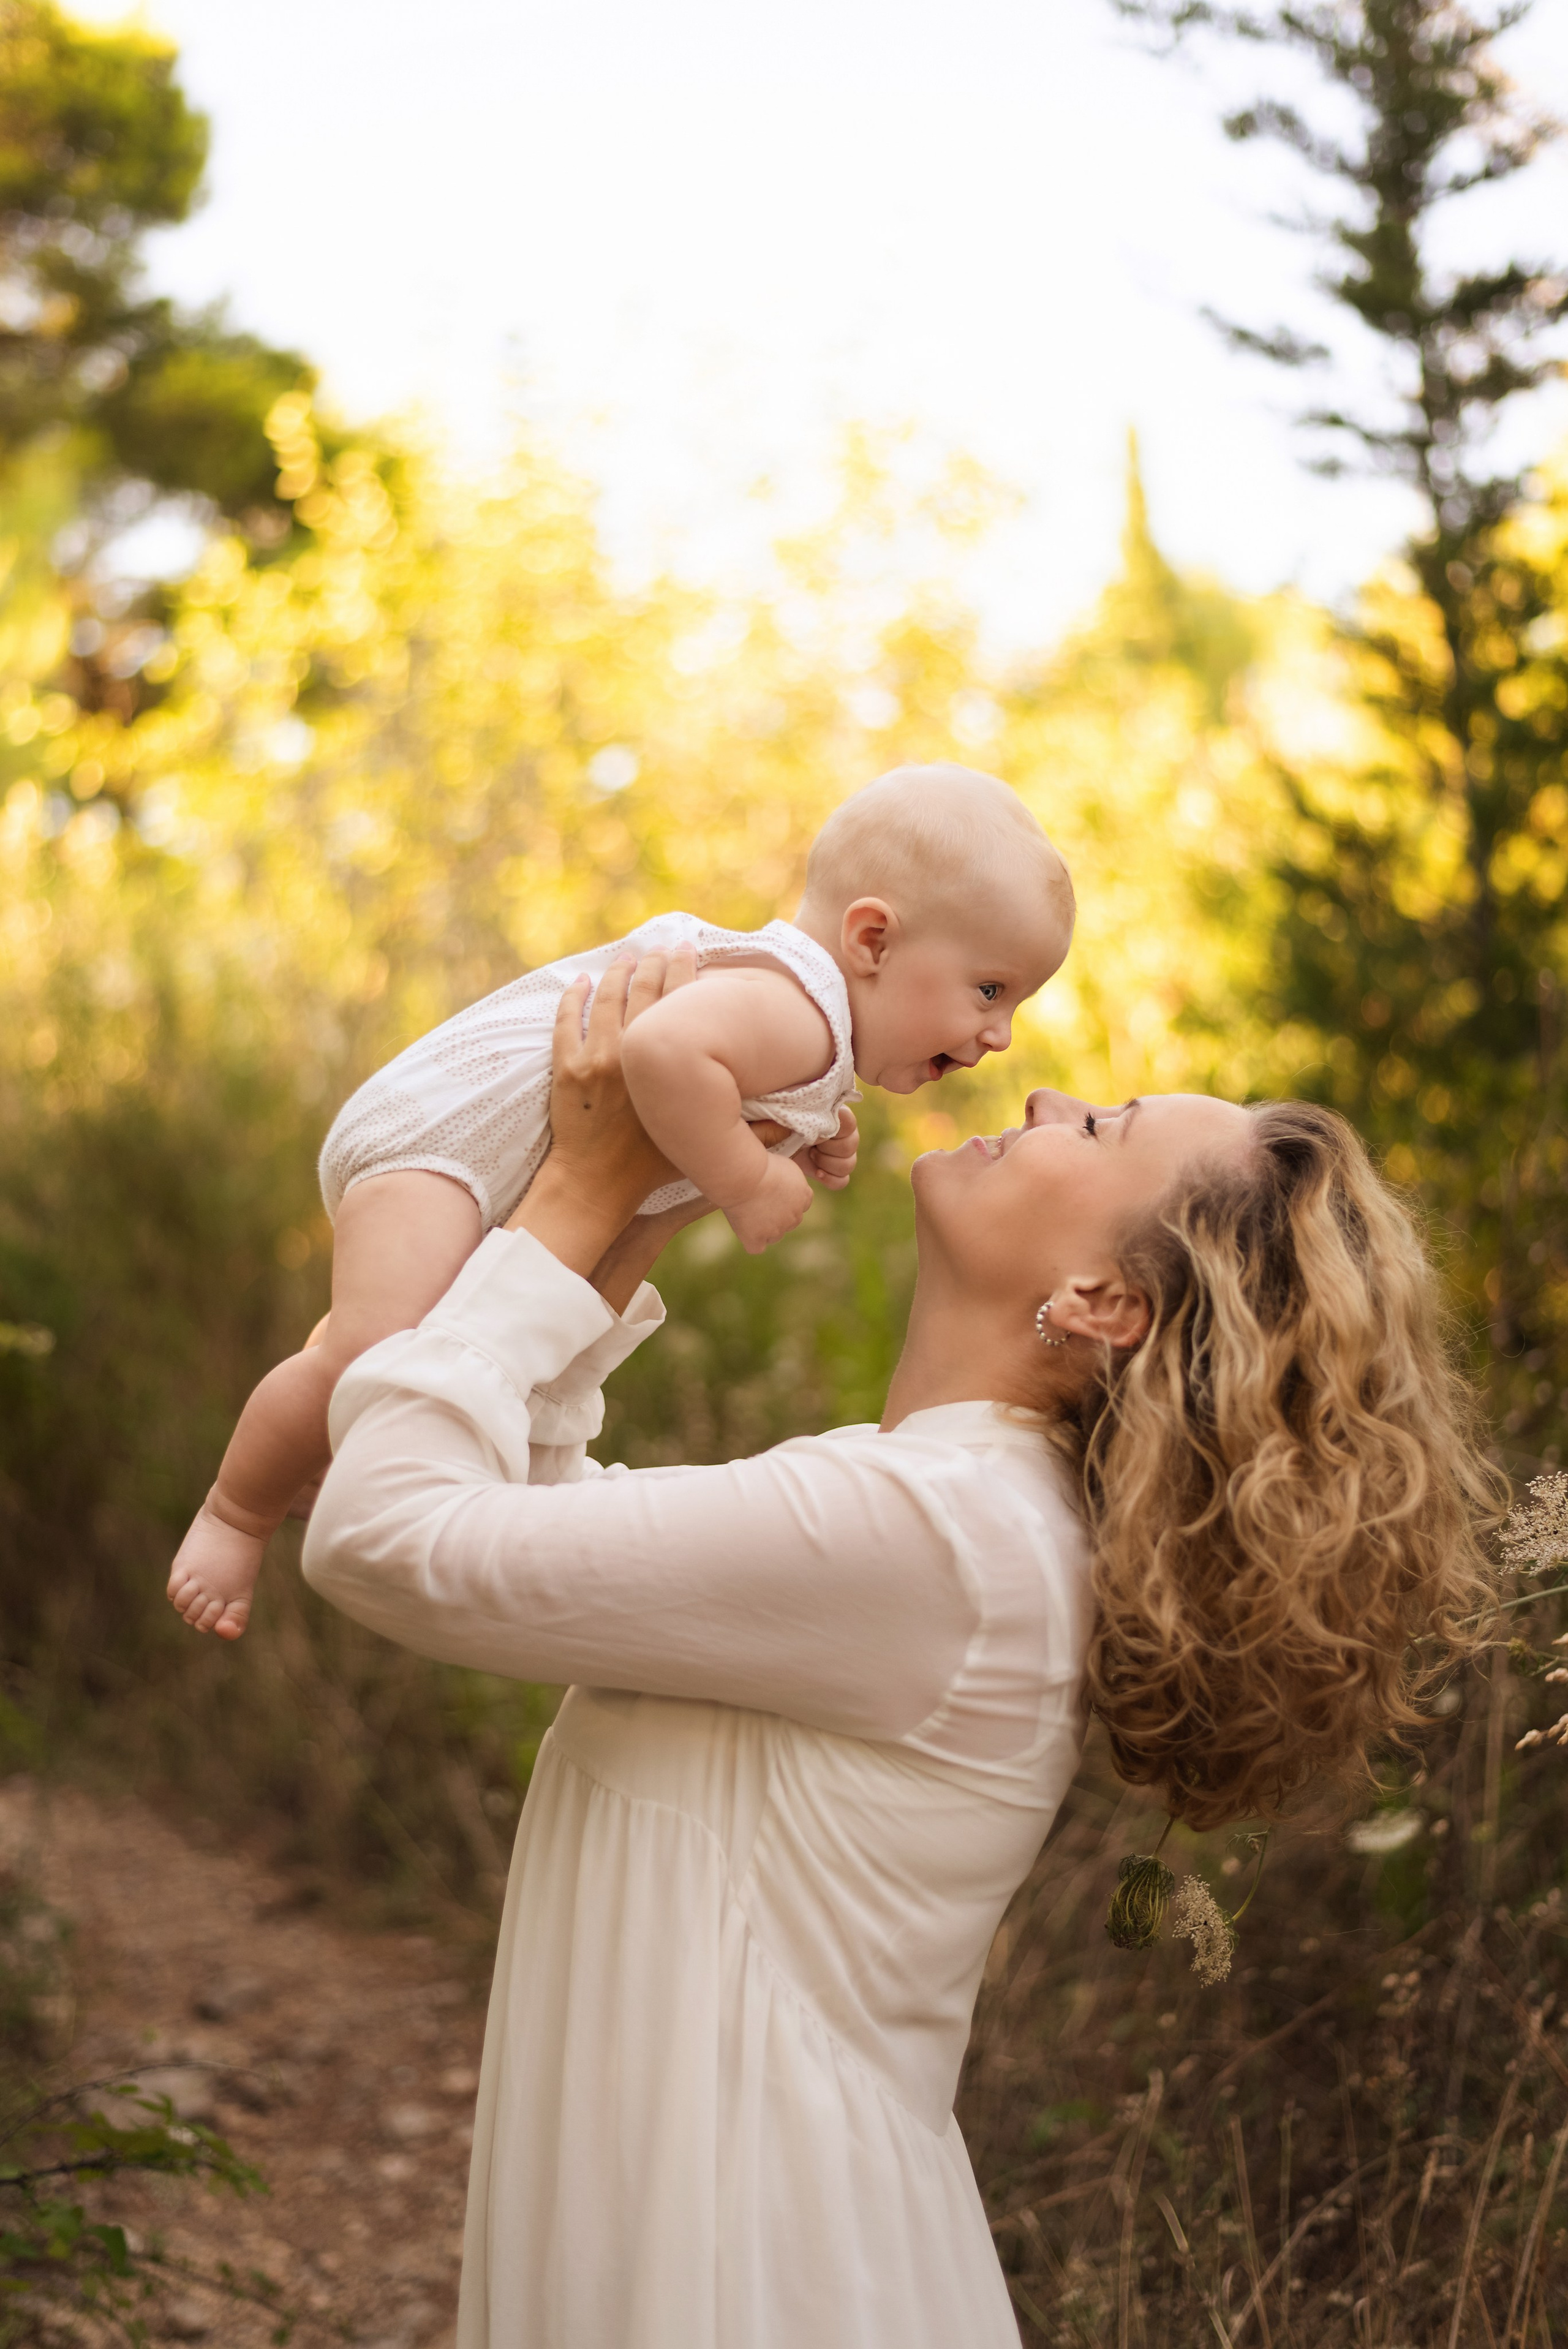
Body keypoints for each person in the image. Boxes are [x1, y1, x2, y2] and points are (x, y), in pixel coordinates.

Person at [300, 952, 1496, 2348]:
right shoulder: (940, 1498)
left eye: (1099, 1127)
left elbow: (382, 1534)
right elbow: (535, 1529)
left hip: (758, 2271)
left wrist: (568, 1195)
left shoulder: (937, 1534)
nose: (1046, 1094)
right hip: (755, 2237)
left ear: (1104, 1299)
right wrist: (623, 1205)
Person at [168, 763, 1074, 1640]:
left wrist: (813, 1131)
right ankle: (234, 1511)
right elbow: (665, 1053)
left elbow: (717, 1087)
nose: (998, 1034)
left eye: (1016, 1002)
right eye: (990, 990)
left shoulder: (810, 1031)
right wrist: (749, 1179)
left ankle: (306, 1455)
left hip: (485, 1159)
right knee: (373, 1355)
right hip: (444, 1141)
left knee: (399, 1349)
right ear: (872, 941)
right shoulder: (797, 1008)